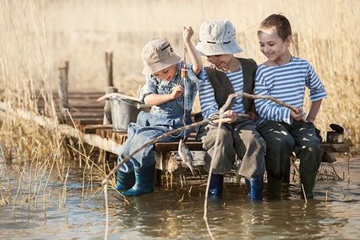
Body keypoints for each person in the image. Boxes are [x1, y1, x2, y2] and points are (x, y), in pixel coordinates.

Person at [115, 27, 202, 197]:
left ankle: (144, 183)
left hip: (175, 125)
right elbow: (147, 99)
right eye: (158, 73)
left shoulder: (185, 72)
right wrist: (169, 96)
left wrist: (187, 41)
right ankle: (123, 182)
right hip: (152, 121)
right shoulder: (153, 77)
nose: (163, 75)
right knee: (127, 146)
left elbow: (198, 67)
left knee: (142, 141)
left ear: (174, 62)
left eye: (166, 70)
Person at [254, 14, 327, 199]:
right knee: (281, 142)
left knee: (312, 145)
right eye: (262, 44)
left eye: (271, 44)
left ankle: (307, 194)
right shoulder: (263, 70)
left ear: (287, 41)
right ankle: (275, 193)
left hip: (298, 122)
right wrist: (287, 114)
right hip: (270, 123)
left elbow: (318, 90)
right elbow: (261, 106)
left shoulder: (302, 66)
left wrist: (310, 118)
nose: (266, 49)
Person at [195, 20, 266, 201]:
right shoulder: (207, 74)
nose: (214, 60)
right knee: (220, 139)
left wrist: (252, 111)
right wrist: (222, 117)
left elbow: (256, 96)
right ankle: (214, 197)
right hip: (215, 122)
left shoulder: (250, 66)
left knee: (253, 142)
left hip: (244, 120)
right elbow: (209, 109)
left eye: (218, 54)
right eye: (209, 56)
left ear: (231, 49)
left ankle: (255, 198)